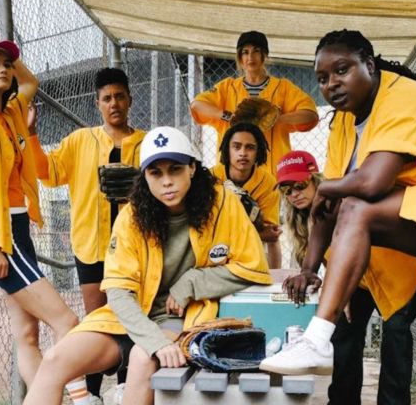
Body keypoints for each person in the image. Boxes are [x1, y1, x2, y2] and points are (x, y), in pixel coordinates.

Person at [260, 30, 416, 405]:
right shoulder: (344, 124)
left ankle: (317, 339)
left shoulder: (404, 98)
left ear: (369, 64)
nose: (332, 84)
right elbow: (326, 210)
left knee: (355, 206)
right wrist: (310, 268)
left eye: (342, 70)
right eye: (322, 78)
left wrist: (328, 188)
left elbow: (369, 184)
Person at [23, 127, 272, 405]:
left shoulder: (221, 203)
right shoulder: (132, 215)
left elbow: (253, 266)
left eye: (174, 169)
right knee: (55, 360)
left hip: (179, 317)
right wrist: (155, 340)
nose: (167, 181)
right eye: (156, 173)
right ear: (145, 177)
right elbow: (117, 292)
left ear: (192, 168)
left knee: (142, 358)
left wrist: (191, 282)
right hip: (130, 317)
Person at [0, 22, 84, 400]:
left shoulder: (7, 113)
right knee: (67, 321)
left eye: (7, 62)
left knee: (27, 335)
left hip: (18, 227)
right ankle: (82, 398)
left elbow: (31, 83)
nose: (4, 68)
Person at [28, 67, 144, 404]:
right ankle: (91, 394)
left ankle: (125, 387)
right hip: (92, 247)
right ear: (97, 104)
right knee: (96, 319)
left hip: (134, 251)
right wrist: (32, 135)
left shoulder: (145, 142)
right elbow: (48, 174)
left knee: (130, 316)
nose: (114, 103)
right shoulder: (81, 140)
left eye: (119, 96)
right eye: (107, 98)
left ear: (129, 100)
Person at [276, 150, 416, 405]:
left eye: (299, 185)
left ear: (316, 180)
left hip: (394, 272)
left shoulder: (336, 201)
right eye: (286, 190)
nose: (294, 194)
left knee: (395, 339)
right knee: (342, 333)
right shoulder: (299, 221)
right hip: (358, 279)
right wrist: (340, 291)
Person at [190, 30, 319, 175]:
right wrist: (227, 116)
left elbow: (310, 115)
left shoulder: (283, 87)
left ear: (264, 55)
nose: (250, 57)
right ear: (239, 57)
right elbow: (197, 105)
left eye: (256, 51)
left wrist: (276, 119)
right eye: (245, 52)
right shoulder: (227, 88)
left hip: (274, 172)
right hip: (233, 174)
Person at [210, 122, 282, 268]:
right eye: (236, 147)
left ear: (258, 152)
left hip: (250, 246)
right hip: (214, 243)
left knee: (274, 239)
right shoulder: (211, 177)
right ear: (227, 150)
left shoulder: (268, 182)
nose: (243, 153)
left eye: (250, 147)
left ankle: (273, 283)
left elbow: (269, 231)